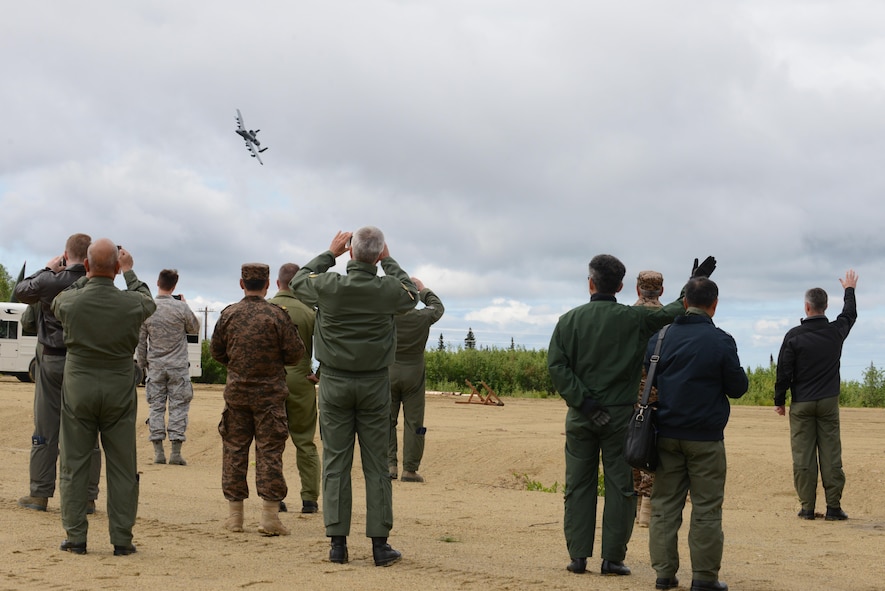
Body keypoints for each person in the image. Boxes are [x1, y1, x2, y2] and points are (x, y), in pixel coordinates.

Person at [547, 254, 715, 577]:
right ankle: (612, 559)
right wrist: (694, 284)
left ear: (590, 283)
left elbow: (557, 366)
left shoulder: (568, 321)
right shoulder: (632, 320)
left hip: (582, 418)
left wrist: (584, 402)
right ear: (622, 286)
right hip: (619, 418)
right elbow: (674, 309)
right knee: (621, 487)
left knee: (578, 485)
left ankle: (578, 556)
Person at [291, 227, 417, 567]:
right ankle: (379, 545)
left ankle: (337, 544)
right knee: (377, 464)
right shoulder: (389, 288)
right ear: (377, 255)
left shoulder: (329, 285)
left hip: (333, 382)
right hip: (375, 383)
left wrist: (329, 254)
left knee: (336, 462)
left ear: (350, 253)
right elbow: (412, 295)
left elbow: (298, 281)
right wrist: (389, 262)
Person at [52, 239, 157, 556]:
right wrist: (129, 272)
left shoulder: (71, 302)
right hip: (118, 388)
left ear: (85, 267)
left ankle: (75, 537)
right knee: (123, 466)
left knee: (74, 463)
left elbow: (59, 300)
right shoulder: (131, 303)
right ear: (116, 268)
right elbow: (148, 301)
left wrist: (86, 273)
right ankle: (122, 539)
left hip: (79, 386)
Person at [646, 277, 749, 591]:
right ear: (714, 305)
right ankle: (704, 578)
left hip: (664, 434)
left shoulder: (660, 338)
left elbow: (649, 379)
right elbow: (738, 388)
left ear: (685, 301)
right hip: (705, 438)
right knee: (706, 507)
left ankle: (664, 575)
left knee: (664, 505)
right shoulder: (721, 341)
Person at [211, 263, 305, 536]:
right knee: (270, 452)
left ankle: (235, 517)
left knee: (234, 452)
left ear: (242, 284)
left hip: (237, 395)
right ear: (267, 285)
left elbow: (217, 351)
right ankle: (270, 517)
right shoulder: (277, 316)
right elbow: (295, 353)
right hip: (270, 397)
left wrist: (238, 365)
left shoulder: (229, 315)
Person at [13, 233, 102, 514]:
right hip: (84, 363)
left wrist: (48, 270)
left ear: (66, 254)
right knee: (87, 430)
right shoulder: (93, 283)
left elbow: (20, 292)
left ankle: (39, 494)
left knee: (45, 429)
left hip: (51, 360)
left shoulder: (50, 281)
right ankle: (87, 497)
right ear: (89, 257)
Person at [774, 270, 858, 522]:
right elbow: (849, 315)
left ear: (807, 307)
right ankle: (833, 508)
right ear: (826, 307)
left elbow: (783, 371)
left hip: (802, 402)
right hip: (829, 401)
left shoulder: (793, 336)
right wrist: (849, 289)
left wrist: (779, 401)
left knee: (803, 455)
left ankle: (807, 507)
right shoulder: (835, 332)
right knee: (831, 454)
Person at [267, 263, 321, 514]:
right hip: (301, 380)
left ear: (278, 283)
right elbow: (327, 347)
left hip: (269, 381)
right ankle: (309, 498)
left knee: (271, 442)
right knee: (305, 441)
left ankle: (274, 497)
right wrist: (318, 374)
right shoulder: (310, 312)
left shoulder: (264, 309)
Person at [137, 269, 201, 466]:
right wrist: (185, 304)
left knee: (155, 408)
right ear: (175, 285)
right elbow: (194, 329)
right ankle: (175, 452)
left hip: (155, 367)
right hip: (178, 368)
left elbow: (141, 341)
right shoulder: (180, 308)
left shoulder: (148, 308)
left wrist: (142, 364)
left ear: (158, 282)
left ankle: (158, 452)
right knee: (178, 407)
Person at [388, 277, 444, 483]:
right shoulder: (423, 316)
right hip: (414, 374)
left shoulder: (387, 317)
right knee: (415, 423)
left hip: (388, 371)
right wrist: (422, 289)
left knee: (387, 421)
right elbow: (438, 306)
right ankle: (410, 469)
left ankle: (389, 465)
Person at [632, 270, 664, 528]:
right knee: (651, 450)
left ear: (637, 289)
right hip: (657, 393)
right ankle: (648, 509)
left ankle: (631, 507)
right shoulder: (670, 318)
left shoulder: (626, 316)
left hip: (628, 392)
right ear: (661, 291)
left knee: (631, 447)